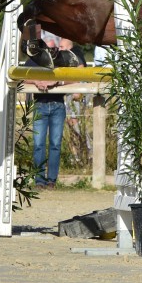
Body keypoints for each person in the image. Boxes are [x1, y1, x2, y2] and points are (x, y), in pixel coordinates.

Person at [28, 33, 86, 188]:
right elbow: (22, 74)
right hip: (40, 105)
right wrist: (35, 80)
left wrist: (57, 81)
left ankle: (51, 180)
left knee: (55, 144)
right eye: (50, 48)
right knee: (39, 144)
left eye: (55, 48)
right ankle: (39, 180)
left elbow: (75, 76)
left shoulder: (62, 59)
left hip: (58, 106)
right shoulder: (36, 59)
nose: (53, 51)